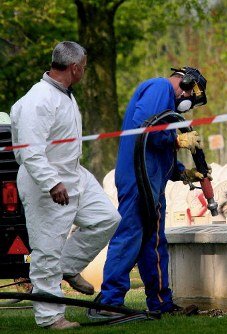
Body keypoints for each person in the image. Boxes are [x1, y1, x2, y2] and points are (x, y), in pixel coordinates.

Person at [10, 41, 121, 329]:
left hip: (74, 172)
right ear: (73, 68)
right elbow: (31, 152)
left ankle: (68, 267)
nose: (84, 72)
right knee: (47, 249)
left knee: (106, 219)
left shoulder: (64, 95)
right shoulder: (39, 100)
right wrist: (52, 182)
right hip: (44, 180)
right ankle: (50, 317)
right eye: (83, 68)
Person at [89, 66, 209, 318]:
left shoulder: (165, 100)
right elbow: (145, 130)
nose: (187, 104)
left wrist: (181, 172)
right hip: (137, 178)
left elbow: (158, 149)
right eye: (191, 98)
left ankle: (161, 302)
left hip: (151, 180)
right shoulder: (160, 88)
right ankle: (109, 303)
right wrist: (176, 140)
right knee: (129, 238)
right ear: (186, 83)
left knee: (153, 244)